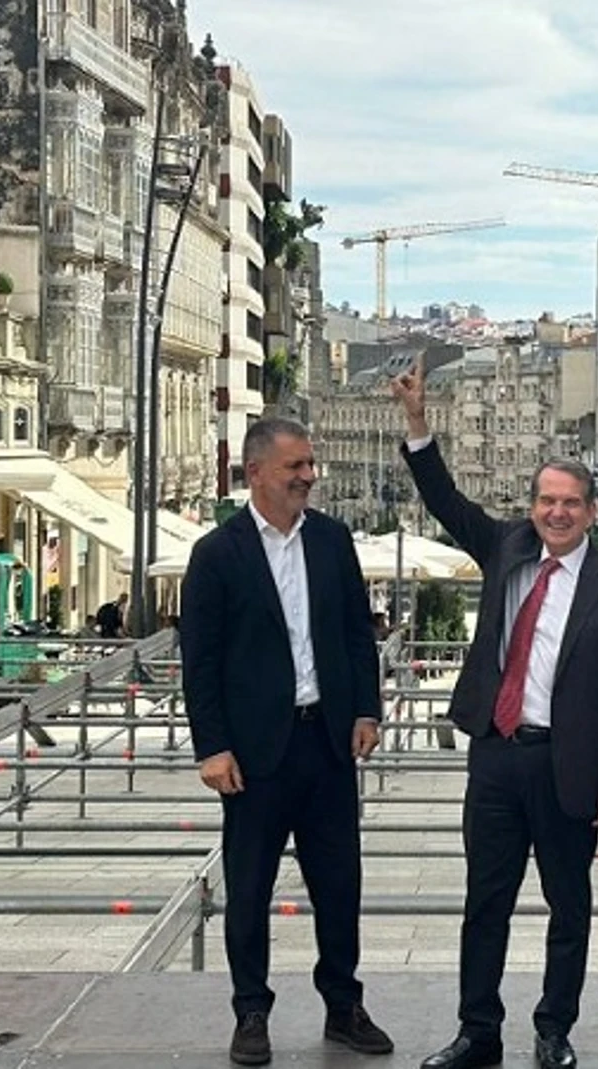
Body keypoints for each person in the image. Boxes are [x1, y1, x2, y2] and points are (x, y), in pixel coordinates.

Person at [391, 357, 598, 1069]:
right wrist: (417, 421)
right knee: (486, 903)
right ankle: (478, 1030)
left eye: (570, 503)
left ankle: (554, 1028)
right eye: (546, 501)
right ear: (531, 505)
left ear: (590, 511)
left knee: (569, 909)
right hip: (498, 757)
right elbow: (444, 499)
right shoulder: (506, 546)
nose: (556, 513)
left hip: (568, 766)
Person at [179, 418, 395, 1066]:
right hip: (253, 754)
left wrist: (366, 708)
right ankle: (251, 1010)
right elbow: (201, 661)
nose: (308, 475)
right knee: (248, 888)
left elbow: (359, 633)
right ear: (255, 473)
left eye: (310, 464)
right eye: (294, 466)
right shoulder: (217, 555)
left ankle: (343, 1005)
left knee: (340, 884)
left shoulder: (331, 541)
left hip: (327, 744)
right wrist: (211, 747)